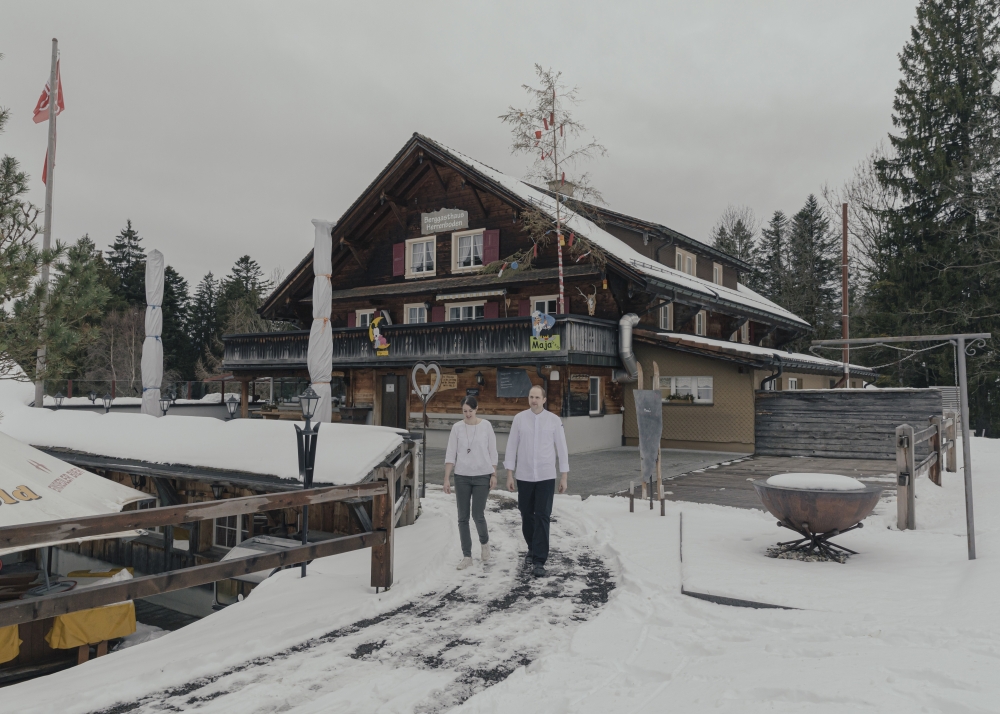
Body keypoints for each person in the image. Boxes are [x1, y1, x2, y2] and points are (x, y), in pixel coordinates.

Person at [504, 384, 569, 578]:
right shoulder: (519, 419)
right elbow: (511, 446)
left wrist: (564, 476)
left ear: (544, 400)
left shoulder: (553, 420)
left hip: (546, 475)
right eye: (531, 397)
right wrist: (509, 473)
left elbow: (562, 448)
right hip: (524, 475)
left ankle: (539, 560)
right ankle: (532, 548)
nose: (533, 400)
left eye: (537, 397)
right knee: (526, 514)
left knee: (542, 515)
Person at [444, 396, 498, 570]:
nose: (468, 414)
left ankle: (484, 543)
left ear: (476, 409)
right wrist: (446, 478)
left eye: (470, 411)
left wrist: (493, 474)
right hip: (462, 476)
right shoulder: (457, 428)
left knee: (477, 514)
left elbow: (493, 452)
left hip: (482, 475)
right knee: (462, 517)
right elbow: (451, 453)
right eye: (465, 411)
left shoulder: (486, 426)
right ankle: (467, 555)